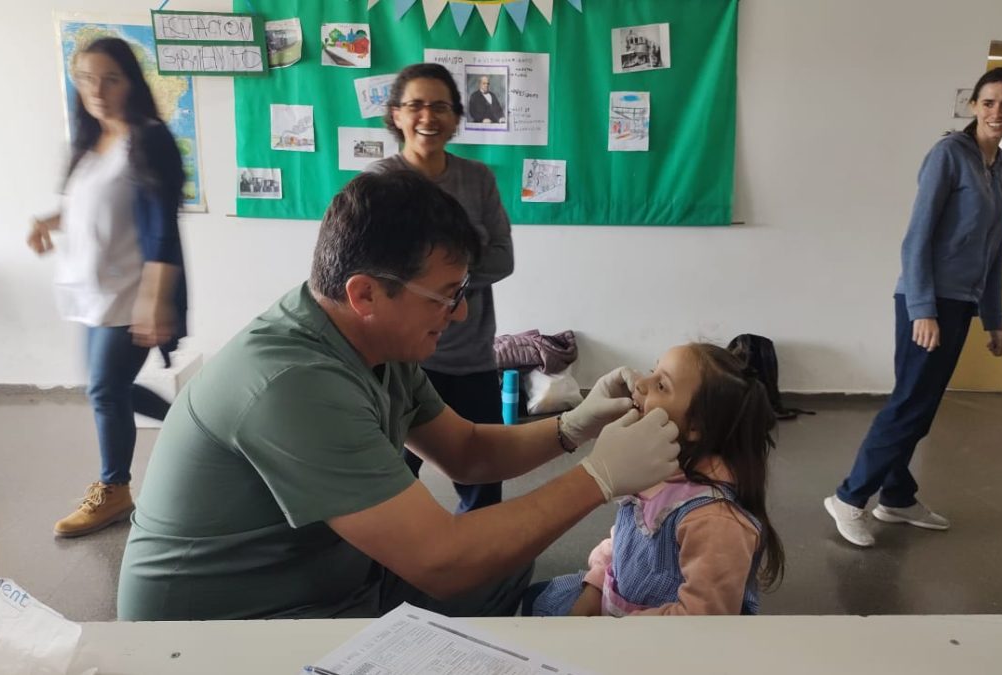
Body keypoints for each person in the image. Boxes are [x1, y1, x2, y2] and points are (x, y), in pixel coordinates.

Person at [117, 170, 681, 621]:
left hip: (328, 576)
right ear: (364, 293)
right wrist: (598, 479)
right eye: (446, 295)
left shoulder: (373, 342)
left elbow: (466, 451)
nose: (460, 312)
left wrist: (574, 427)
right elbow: (440, 561)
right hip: (229, 624)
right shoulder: (295, 383)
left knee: (508, 558)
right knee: (477, 561)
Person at [825, 67, 1002, 548]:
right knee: (910, 405)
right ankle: (850, 497)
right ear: (974, 106)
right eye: (989, 102)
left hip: (961, 303)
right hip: (928, 301)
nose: (997, 112)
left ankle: (896, 497)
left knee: (920, 403)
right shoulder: (948, 155)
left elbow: (995, 248)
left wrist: (993, 318)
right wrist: (922, 309)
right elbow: (917, 238)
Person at [27, 37, 187, 538]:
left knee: (103, 388)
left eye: (110, 78)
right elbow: (88, 204)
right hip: (91, 292)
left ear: (130, 82)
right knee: (106, 387)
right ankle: (191, 421)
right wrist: (48, 220)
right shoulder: (91, 138)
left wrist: (155, 298)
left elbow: (162, 226)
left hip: (133, 292)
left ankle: (114, 490)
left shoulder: (149, 137)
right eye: (86, 77)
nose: (97, 89)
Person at [525, 343, 785, 616]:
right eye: (652, 370)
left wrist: (610, 633)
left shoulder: (715, 522)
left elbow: (701, 620)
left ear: (696, 426)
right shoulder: (655, 473)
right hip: (614, 607)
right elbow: (623, 545)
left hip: (656, 645)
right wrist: (594, 588)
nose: (640, 383)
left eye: (661, 385)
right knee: (534, 600)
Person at [368, 63, 513, 512]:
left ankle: (486, 571)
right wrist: (453, 276)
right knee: (389, 476)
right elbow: (372, 268)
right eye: (415, 105)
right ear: (395, 115)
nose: (427, 117)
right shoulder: (380, 182)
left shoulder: (478, 179)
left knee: (483, 473)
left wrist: (433, 286)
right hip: (400, 356)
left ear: (456, 118)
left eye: (440, 106)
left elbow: (503, 258)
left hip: (471, 355)